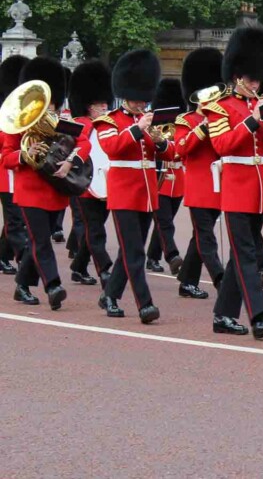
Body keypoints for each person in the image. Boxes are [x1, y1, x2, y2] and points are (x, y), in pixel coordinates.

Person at [205, 25, 263, 339]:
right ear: (237, 76)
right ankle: (259, 316)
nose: (255, 83)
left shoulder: (259, 107)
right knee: (247, 255)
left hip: (258, 192)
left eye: (258, 78)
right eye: (251, 78)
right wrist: (252, 121)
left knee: (241, 257)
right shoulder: (220, 109)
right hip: (237, 192)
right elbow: (222, 146)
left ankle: (223, 315)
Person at [4, 57, 87, 309]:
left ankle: (22, 285)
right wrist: (26, 154)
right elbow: (7, 157)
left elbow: (83, 142)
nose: (47, 106)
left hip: (56, 188)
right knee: (40, 240)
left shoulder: (60, 123)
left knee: (41, 240)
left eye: (51, 101)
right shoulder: (18, 125)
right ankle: (53, 285)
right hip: (29, 190)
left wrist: (70, 161)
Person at [95, 50, 168, 324]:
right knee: (135, 252)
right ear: (125, 95)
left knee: (130, 250)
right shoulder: (108, 121)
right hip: (124, 194)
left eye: (143, 99)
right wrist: (138, 128)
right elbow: (112, 147)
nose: (140, 103)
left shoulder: (147, 121)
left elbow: (168, 154)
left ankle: (110, 296)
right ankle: (145, 304)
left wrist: (160, 141)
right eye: (136, 98)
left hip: (147, 194)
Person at [174, 47, 227, 300]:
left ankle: (187, 281)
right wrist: (202, 129)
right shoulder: (186, 121)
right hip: (198, 187)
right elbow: (179, 149)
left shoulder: (220, 118)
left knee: (199, 237)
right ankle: (220, 278)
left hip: (218, 185)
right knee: (206, 237)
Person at [67, 60, 115, 288]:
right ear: (88, 106)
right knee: (95, 230)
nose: (104, 107)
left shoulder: (110, 125)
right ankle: (105, 270)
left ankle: (78, 266)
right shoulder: (79, 124)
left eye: (105, 103)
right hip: (84, 184)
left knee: (94, 229)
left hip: (105, 182)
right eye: (99, 104)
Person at [144, 78, 187, 275]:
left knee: (164, 222)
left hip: (177, 179)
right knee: (164, 222)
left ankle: (152, 257)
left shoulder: (182, 123)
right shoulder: (151, 124)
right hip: (159, 177)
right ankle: (172, 255)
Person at [0, 55, 29, 277]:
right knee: (16, 219)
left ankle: (2, 255)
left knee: (14, 218)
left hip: (18, 169)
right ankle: (26, 261)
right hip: (5, 173)